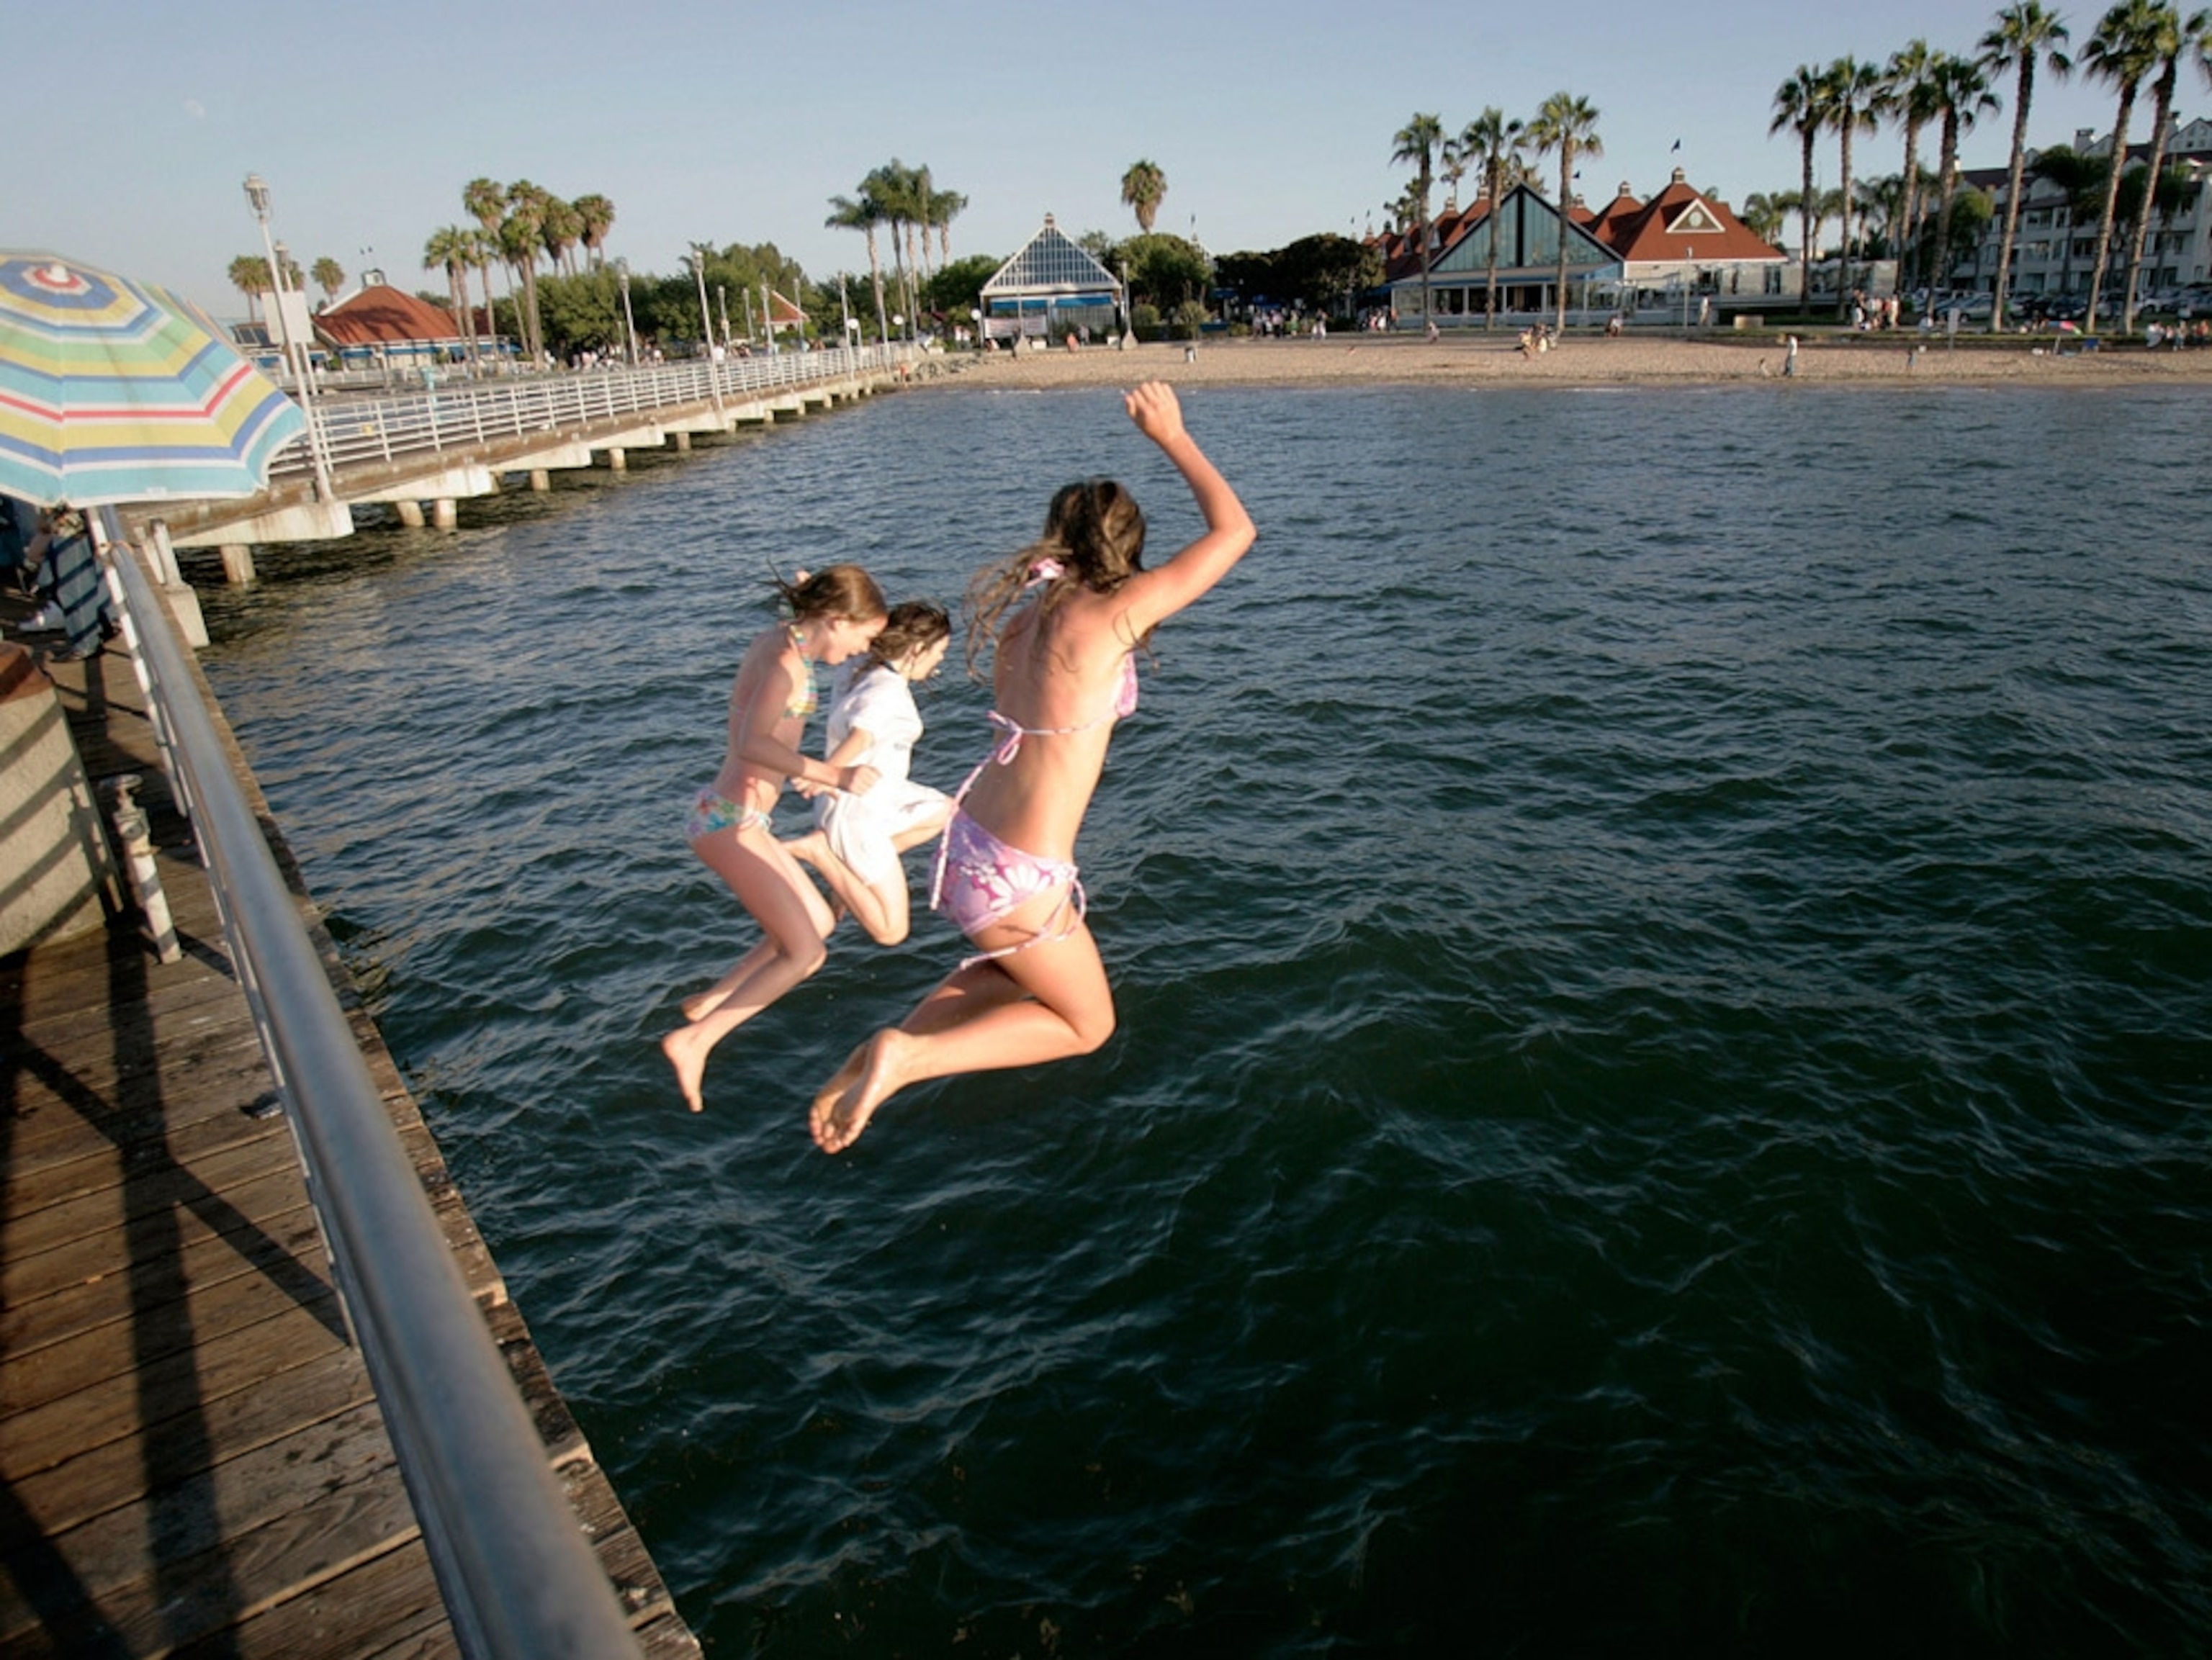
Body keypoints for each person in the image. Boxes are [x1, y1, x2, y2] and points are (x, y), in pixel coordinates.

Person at [808, 381, 1256, 1153]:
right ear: (1125, 548)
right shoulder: (1112, 614)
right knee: (1089, 1023)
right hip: (1019, 869)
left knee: (1013, 972)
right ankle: (906, 1056)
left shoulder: (1025, 619)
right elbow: (1235, 531)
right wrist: (1171, 434)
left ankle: (883, 1049)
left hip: (968, 844)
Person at [662, 564, 888, 1113]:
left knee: (821, 921)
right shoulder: (788, 663)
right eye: (863, 637)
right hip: (728, 823)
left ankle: (710, 1000)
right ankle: (696, 1041)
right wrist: (834, 775)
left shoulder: (785, 640)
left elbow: (801, 625)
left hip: (738, 819)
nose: (862, 650)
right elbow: (750, 743)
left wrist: (810, 591)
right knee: (807, 953)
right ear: (836, 620)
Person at [785, 601, 956, 947]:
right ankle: (822, 853)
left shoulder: (861, 665)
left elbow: (848, 630)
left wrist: (811, 594)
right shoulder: (887, 693)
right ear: (917, 649)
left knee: (946, 811)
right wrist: (824, 774)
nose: (940, 661)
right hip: (858, 813)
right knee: (892, 932)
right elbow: (861, 736)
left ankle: (850, 871)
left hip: (875, 795)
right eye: (939, 652)